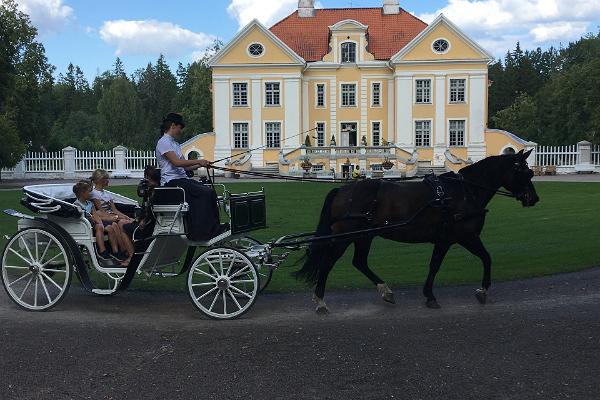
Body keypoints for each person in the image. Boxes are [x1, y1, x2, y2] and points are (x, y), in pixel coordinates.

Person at [156, 112, 226, 241]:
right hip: (171, 181)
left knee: (210, 192)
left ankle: (214, 228)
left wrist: (202, 164)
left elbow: (185, 167)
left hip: (181, 179)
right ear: (173, 125)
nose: (181, 131)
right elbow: (176, 162)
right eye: (180, 128)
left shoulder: (174, 144)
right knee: (204, 193)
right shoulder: (164, 142)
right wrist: (198, 161)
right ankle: (203, 232)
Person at [72, 180, 124, 264]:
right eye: (88, 192)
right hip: (86, 224)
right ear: (82, 193)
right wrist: (99, 224)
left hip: (94, 222)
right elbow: (85, 217)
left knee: (110, 228)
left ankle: (115, 251)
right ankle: (102, 250)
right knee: (99, 227)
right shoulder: (77, 205)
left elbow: (95, 215)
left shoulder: (89, 203)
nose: (90, 194)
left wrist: (100, 222)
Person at [90, 169, 134, 265]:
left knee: (127, 221)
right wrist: (117, 217)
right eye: (106, 179)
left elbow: (114, 210)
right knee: (118, 224)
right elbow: (100, 211)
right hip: (104, 217)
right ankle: (122, 250)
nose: (108, 181)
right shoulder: (94, 194)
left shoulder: (107, 194)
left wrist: (125, 217)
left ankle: (126, 250)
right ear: (101, 180)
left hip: (111, 215)